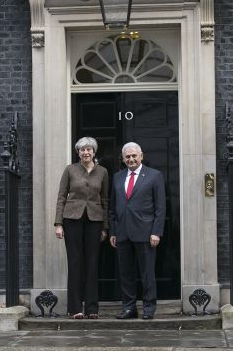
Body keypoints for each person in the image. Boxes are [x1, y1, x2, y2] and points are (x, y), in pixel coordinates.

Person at [109, 142, 165, 320]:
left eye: (134, 156)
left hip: (146, 233)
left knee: (147, 273)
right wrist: (113, 231)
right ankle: (129, 308)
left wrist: (156, 231)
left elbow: (160, 207)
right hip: (123, 233)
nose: (131, 159)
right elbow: (112, 208)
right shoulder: (117, 177)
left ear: (141, 156)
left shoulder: (154, 176)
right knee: (125, 274)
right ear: (123, 159)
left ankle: (149, 308)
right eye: (127, 156)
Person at [54, 137, 109, 319]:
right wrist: (58, 224)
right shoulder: (70, 170)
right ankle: (75, 308)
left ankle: (92, 309)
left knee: (92, 264)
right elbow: (61, 196)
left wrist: (105, 227)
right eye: (82, 150)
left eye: (89, 149)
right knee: (75, 262)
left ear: (94, 152)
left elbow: (105, 200)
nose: (86, 152)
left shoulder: (103, 172)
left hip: (95, 220)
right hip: (72, 219)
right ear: (78, 153)